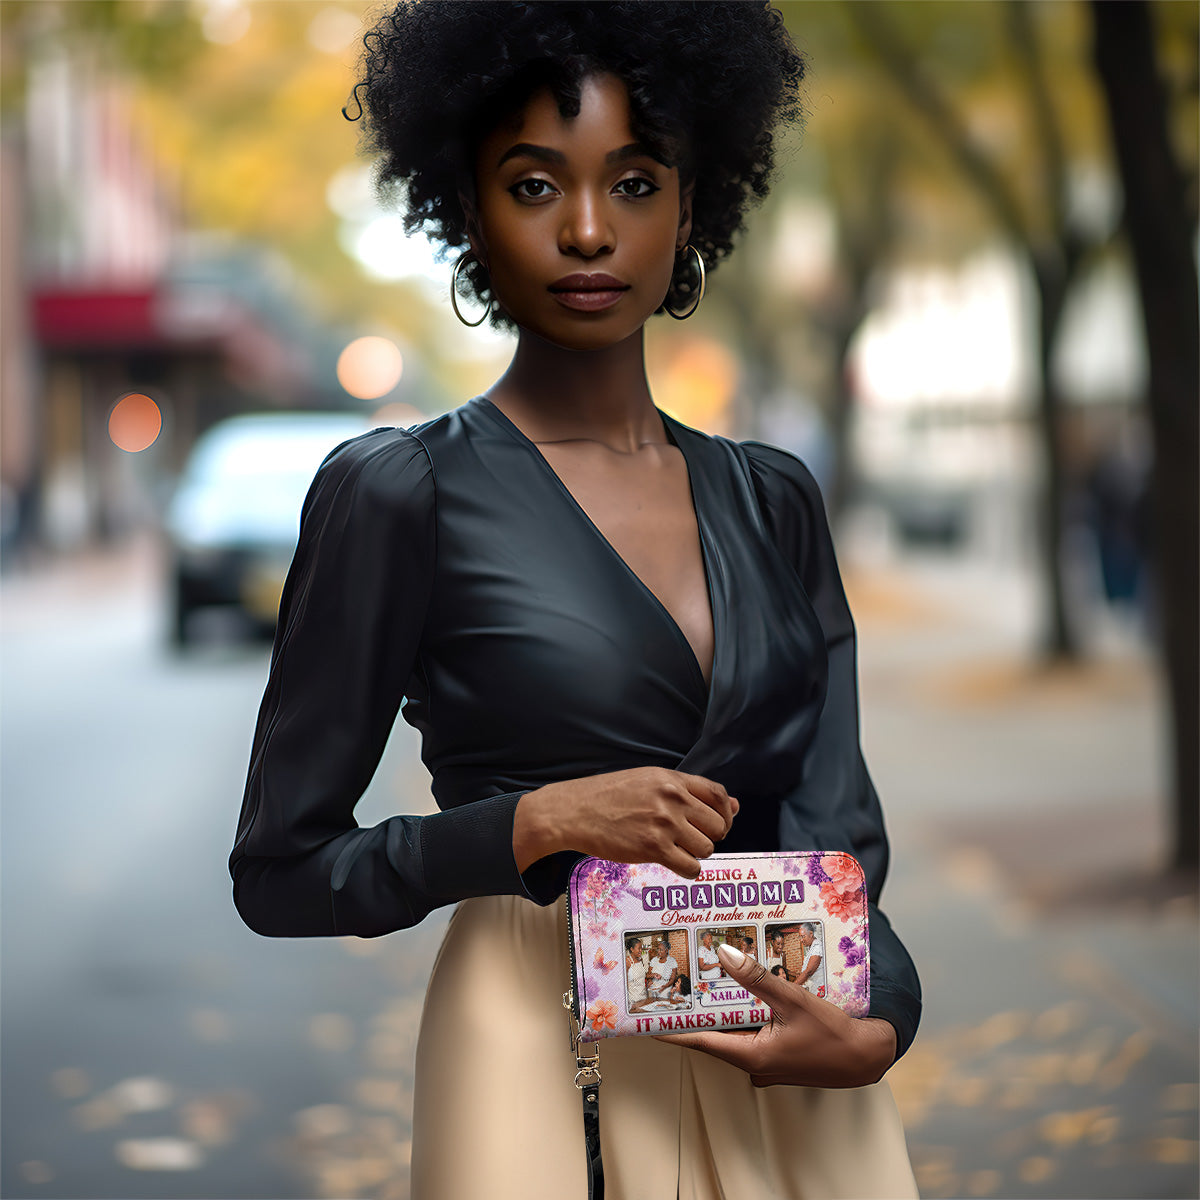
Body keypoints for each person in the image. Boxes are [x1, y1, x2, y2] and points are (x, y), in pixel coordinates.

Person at [229, 4, 921, 1197]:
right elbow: (282, 869)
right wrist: (533, 827)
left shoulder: (775, 501)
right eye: (535, 184)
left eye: (637, 182)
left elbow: (841, 836)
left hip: (783, 1053)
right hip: (532, 1051)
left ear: (693, 208)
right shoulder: (401, 495)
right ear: (469, 212)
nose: (590, 230)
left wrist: (878, 1025)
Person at [795, 921, 826, 997]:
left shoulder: (817, 947)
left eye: (803, 936)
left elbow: (809, 971)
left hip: (819, 988)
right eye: (800, 937)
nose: (801, 940)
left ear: (811, 934)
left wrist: (792, 987)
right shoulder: (811, 948)